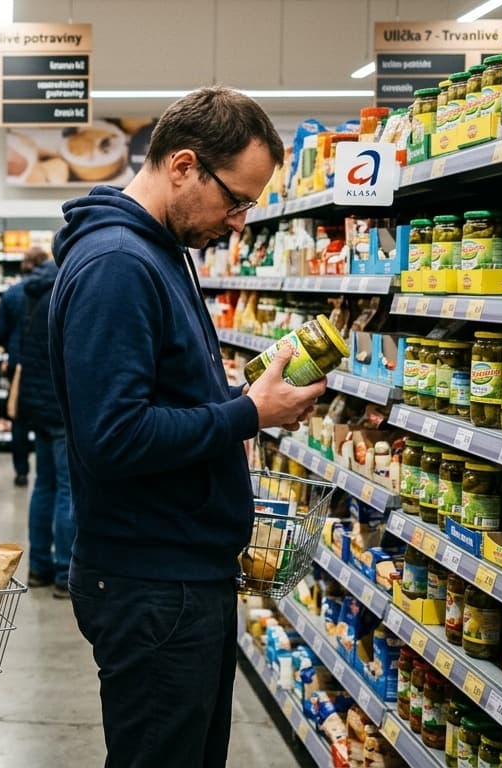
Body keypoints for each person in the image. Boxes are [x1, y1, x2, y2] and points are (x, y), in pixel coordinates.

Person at [47, 87, 326, 767]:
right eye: (235, 200)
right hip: (153, 585)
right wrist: (247, 414)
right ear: (182, 166)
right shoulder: (118, 265)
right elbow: (113, 437)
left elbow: (160, 398)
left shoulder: (161, 251)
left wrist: (239, 398)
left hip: (178, 576)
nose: (239, 222)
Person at [14, 251, 74, 598]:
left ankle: (39, 566)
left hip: (37, 403)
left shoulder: (35, 292)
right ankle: (65, 572)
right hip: (61, 405)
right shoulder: (68, 289)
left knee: (44, 484)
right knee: (68, 489)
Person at [0, 246, 50, 487]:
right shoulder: (51, 290)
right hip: (43, 363)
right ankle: (45, 470)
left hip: (16, 363)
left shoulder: (11, 294)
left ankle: (21, 471)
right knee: (45, 419)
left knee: (18, 417)